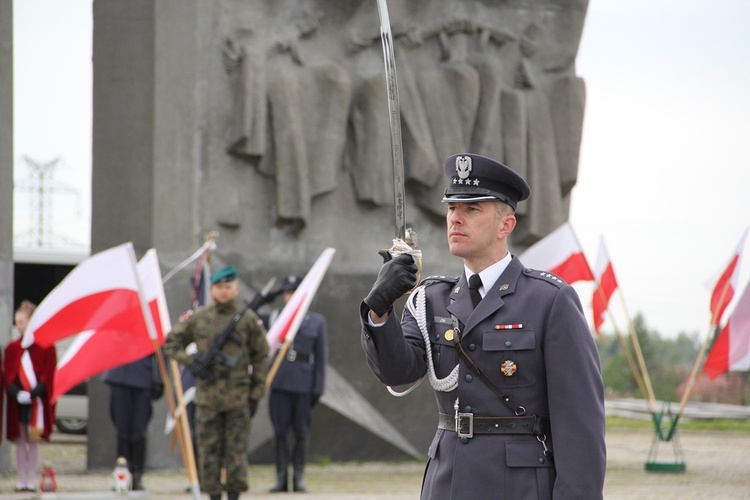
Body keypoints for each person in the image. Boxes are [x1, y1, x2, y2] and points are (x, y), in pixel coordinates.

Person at [359, 153, 606, 499]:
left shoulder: (549, 301)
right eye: (451, 208)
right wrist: (379, 308)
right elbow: (397, 374)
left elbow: (581, 426)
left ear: (506, 225)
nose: (455, 219)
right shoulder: (431, 298)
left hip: (518, 486)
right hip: (447, 482)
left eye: (472, 209)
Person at [163, 266, 269, 500]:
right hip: (208, 396)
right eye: (219, 287)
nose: (223, 292)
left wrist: (256, 393)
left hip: (238, 397)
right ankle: (212, 494)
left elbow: (261, 357)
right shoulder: (199, 318)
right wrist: (190, 362)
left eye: (228, 287)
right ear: (211, 290)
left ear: (236, 289)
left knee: (236, 452)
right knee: (208, 450)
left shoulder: (248, 320)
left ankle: (233, 495)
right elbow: (171, 342)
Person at [267, 275, 327, 493]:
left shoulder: (316, 321)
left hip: (303, 383)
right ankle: (281, 478)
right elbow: (249, 315)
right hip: (279, 382)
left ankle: (298, 478)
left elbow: (321, 358)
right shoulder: (274, 318)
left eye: (295, 292)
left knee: (301, 432)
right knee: (280, 432)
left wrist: (318, 388)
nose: (290, 296)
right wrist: (266, 298)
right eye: (287, 292)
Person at [4, 301, 57, 493]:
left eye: (22, 322)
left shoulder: (45, 347)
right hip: (18, 401)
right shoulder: (12, 348)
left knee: (33, 440)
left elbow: (49, 376)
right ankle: (21, 480)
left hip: (36, 402)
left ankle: (32, 480)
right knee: (20, 439)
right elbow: (8, 376)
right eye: (17, 322)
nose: (18, 326)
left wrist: (34, 393)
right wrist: (16, 393)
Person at [102, 353, 164, 490]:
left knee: (138, 430)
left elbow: (160, 351)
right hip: (119, 375)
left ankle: (137, 474)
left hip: (142, 377)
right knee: (122, 431)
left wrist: (159, 379)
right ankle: (122, 474)